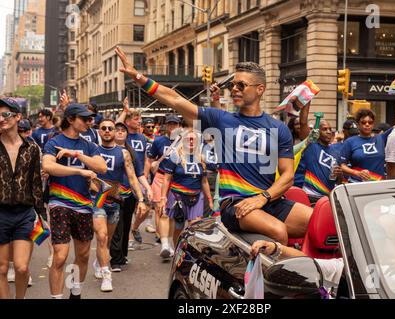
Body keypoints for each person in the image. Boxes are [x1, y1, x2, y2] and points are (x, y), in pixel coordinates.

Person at [116, 46, 313, 245]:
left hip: (267, 201)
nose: (234, 89)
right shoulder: (221, 119)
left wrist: (263, 198)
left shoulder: (279, 128)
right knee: (278, 231)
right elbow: (175, 99)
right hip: (234, 203)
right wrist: (139, 77)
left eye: (241, 85)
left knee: (321, 223)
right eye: (233, 85)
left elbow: (287, 175)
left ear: (260, 89)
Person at [42, 103, 107, 299]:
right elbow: (48, 166)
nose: (89, 122)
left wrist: (77, 155)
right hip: (59, 203)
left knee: (84, 255)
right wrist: (79, 170)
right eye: (84, 119)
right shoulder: (54, 142)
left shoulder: (88, 145)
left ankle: (75, 293)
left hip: (84, 206)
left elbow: (101, 167)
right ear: (70, 119)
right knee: (60, 256)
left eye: (90, 119)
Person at [92, 119, 147, 291]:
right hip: (97, 200)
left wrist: (141, 199)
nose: (107, 131)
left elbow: (132, 177)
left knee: (107, 241)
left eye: (111, 128)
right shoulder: (93, 149)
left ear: (115, 132)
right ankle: (106, 274)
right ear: (99, 132)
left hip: (115, 201)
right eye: (104, 128)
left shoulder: (123, 153)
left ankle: (99, 261)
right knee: (101, 237)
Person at [0, 97, 45, 299]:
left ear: (18, 117)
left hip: (24, 213)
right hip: (0, 213)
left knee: (21, 267)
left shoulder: (32, 148)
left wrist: (41, 214)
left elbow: (36, 183)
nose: (1, 119)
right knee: (1, 269)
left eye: (5, 114)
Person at [157, 129, 213, 257]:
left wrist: (209, 200)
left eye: (194, 139)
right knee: (178, 227)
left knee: (194, 227)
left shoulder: (201, 158)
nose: (191, 141)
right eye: (188, 139)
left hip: (197, 197)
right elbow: (166, 179)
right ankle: (177, 250)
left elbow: (204, 181)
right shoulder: (175, 156)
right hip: (177, 196)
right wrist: (162, 197)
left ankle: (189, 253)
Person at [109, 122, 145, 271]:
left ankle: (122, 255)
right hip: (112, 195)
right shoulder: (106, 149)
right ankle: (115, 260)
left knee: (126, 225)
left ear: (126, 134)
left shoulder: (131, 152)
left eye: (122, 130)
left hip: (129, 194)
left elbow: (137, 175)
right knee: (117, 226)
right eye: (116, 130)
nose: (119, 132)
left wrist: (145, 192)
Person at [144, 114, 182, 253]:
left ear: (179, 126)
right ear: (166, 125)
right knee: (161, 210)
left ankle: (169, 242)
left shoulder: (184, 141)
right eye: (170, 124)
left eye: (175, 124)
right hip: (160, 178)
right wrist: (145, 178)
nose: (172, 127)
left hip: (177, 180)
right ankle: (164, 243)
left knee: (172, 213)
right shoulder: (159, 141)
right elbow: (149, 159)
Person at [294, 120, 343, 204]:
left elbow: (338, 182)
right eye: (324, 129)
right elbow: (303, 123)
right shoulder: (311, 146)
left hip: (328, 199)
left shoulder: (336, 153)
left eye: (330, 129)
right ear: (318, 132)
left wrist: (339, 174)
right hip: (310, 196)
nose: (328, 132)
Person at [338, 109, 392, 182]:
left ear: (373, 124)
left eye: (370, 122)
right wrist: (357, 173)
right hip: (357, 185)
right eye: (363, 122)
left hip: (378, 186)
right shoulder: (350, 142)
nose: (367, 124)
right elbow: (342, 166)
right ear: (358, 124)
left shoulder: (381, 138)